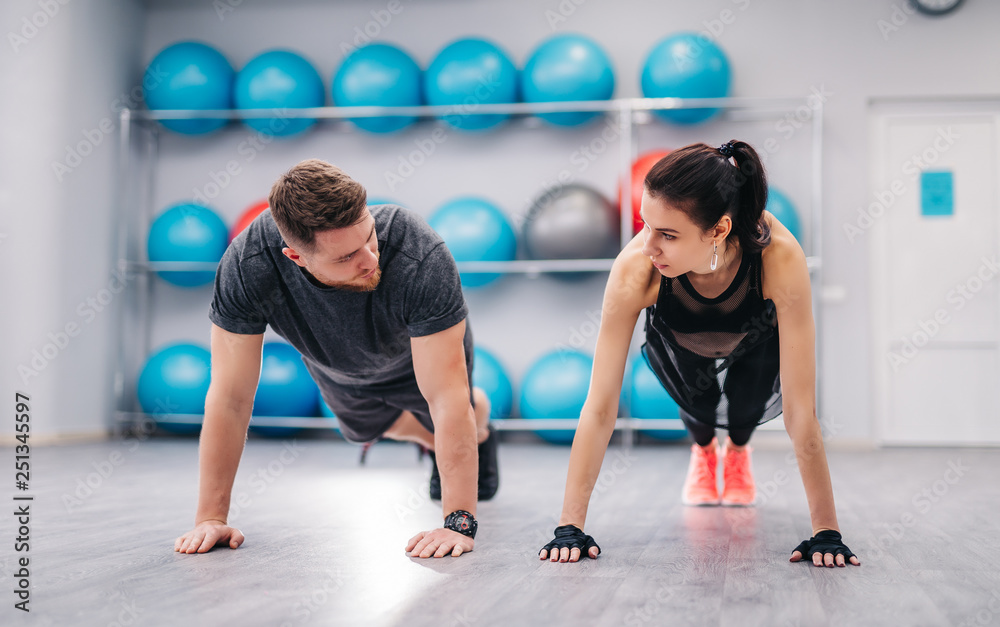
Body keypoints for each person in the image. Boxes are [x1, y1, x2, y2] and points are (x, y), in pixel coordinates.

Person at [538, 141, 859, 568]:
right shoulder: (636, 268)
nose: (649, 245)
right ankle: (706, 452)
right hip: (681, 335)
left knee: (745, 409)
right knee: (702, 405)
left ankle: (738, 452)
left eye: (668, 235)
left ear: (719, 230)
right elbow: (599, 407)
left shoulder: (779, 257)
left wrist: (827, 532)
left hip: (756, 337)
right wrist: (569, 527)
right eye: (646, 225)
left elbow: (801, 411)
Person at [173, 159, 499, 559]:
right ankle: (445, 440)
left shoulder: (418, 253)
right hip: (336, 365)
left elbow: (447, 398)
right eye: (346, 258)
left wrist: (458, 523)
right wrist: (210, 518)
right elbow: (230, 398)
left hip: (419, 355)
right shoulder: (249, 266)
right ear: (295, 257)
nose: (370, 260)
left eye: (370, 238)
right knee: (364, 432)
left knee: (459, 409)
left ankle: (477, 423)